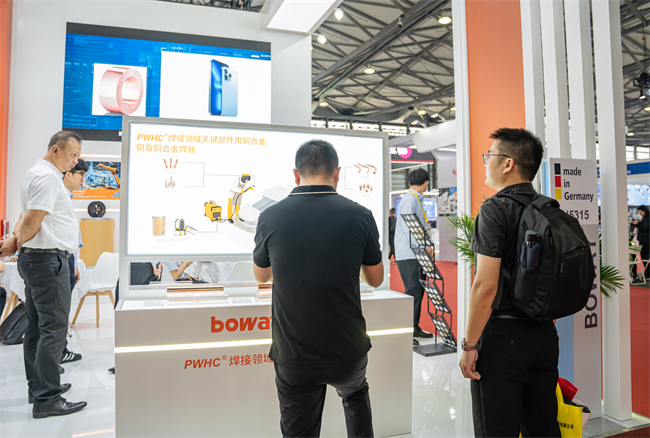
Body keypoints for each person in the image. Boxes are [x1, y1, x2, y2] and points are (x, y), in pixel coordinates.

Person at [253, 139, 383, 438]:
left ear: (295, 175)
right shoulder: (360, 215)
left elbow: (261, 276)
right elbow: (375, 279)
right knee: (355, 395)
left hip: (294, 352)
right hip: (347, 348)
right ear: (337, 173)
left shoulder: (270, 216)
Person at [459, 128, 560, 437]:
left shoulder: (494, 209)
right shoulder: (549, 208)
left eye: (489, 156)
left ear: (507, 164)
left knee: (496, 429)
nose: (485, 162)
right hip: (544, 335)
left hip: (503, 338)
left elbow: (485, 286)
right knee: (542, 427)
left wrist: (470, 345)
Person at [1, 131, 87, 418]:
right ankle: (47, 398)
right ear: (55, 150)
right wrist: (17, 242)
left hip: (41, 261)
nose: (74, 161)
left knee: (38, 327)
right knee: (54, 329)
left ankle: (38, 389)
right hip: (48, 261)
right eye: (72, 155)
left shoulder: (37, 174)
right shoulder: (48, 177)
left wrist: (16, 241)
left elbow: (27, 218)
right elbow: (31, 220)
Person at [393, 168, 434, 346]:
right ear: (426, 183)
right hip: (410, 253)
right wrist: (425, 245)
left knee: (418, 289)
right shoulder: (410, 199)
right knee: (413, 290)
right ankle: (406, 331)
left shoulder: (414, 198)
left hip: (415, 252)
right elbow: (412, 226)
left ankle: (414, 326)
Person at [60, 158, 88, 364]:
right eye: (81, 175)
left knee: (62, 309)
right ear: (68, 174)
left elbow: (71, 233)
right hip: (58, 258)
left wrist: (75, 262)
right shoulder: (58, 196)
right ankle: (59, 353)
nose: (83, 180)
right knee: (58, 311)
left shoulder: (67, 197)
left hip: (68, 258)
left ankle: (60, 350)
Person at [632, 205, 650, 280]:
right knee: (644, 258)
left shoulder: (648, 219)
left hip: (646, 241)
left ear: (644, 211)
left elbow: (645, 228)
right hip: (643, 241)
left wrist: (637, 224)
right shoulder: (644, 218)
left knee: (646, 257)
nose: (640, 214)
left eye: (640, 212)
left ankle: (648, 274)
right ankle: (647, 274)